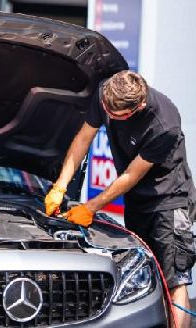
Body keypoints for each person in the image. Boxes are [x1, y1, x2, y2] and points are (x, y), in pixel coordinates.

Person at [45, 70, 196, 328]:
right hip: (137, 202)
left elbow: (131, 175)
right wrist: (60, 186)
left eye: (116, 116)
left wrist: (90, 207)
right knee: (144, 274)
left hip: (170, 202)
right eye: (106, 110)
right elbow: (83, 138)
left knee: (174, 282)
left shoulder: (164, 124)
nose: (109, 117)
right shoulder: (108, 93)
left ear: (139, 107)